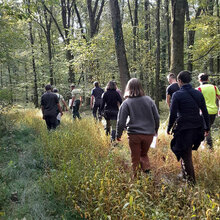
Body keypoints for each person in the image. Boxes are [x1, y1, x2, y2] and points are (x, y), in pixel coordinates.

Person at [167, 71, 210, 185]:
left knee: (185, 154)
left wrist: (169, 128)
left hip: (184, 128)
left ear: (180, 81)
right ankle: (184, 175)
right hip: (197, 127)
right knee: (185, 151)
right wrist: (207, 127)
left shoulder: (177, 95)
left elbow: (173, 114)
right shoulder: (198, 93)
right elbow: (204, 111)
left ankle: (191, 183)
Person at [116, 78, 160, 178]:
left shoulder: (126, 103)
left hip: (134, 135)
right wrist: (155, 130)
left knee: (135, 158)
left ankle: (136, 180)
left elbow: (121, 121)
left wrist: (118, 135)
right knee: (143, 154)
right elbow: (157, 117)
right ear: (140, 87)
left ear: (128, 88)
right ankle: (148, 175)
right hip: (149, 134)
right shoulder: (149, 100)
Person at [197, 73, 220, 149]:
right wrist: (219, 108)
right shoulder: (214, 87)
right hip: (213, 111)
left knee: (205, 129)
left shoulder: (198, 89)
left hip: (203, 112)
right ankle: (206, 146)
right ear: (207, 79)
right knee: (207, 128)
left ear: (199, 80)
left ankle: (209, 147)